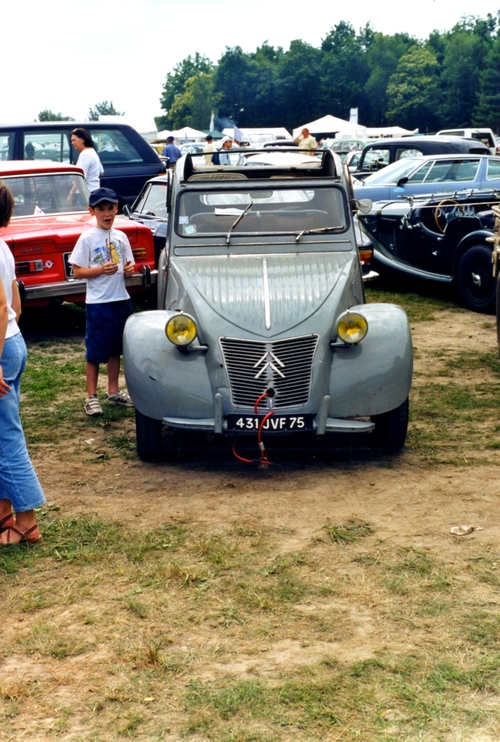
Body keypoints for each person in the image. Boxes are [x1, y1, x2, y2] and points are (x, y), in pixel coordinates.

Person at [0, 183, 46, 546]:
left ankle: (27, 521)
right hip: (11, 341)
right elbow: (14, 301)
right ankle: (4, 513)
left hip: (0, 348)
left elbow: (1, 308)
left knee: (6, 435)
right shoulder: (2, 245)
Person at [68, 188, 136, 416]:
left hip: (121, 300)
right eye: (101, 209)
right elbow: (77, 272)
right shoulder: (87, 238)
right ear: (92, 211)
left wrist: (129, 270)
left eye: (110, 208)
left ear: (116, 209)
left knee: (116, 348)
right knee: (96, 350)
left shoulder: (121, 237)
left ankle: (113, 391)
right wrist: (98, 270)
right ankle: (91, 396)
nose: (107, 214)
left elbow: (129, 266)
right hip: (99, 304)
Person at [70, 127, 103, 192]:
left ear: (82, 140)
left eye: (74, 140)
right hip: (95, 190)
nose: (72, 143)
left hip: (86, 192)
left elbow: (80, 178)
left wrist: (71, 194)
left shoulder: (85, 154)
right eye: (72, 141)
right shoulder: (92, 151)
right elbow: (101, 172)